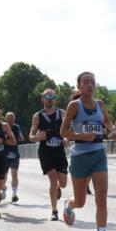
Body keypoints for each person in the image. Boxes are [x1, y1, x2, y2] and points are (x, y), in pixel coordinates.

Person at [61, 72, 116, 231]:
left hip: (98, 154)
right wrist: (82, 136)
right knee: (80, 202)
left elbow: (107, 122)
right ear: (79, 86)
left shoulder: (100, 104)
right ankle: (69, 205)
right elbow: (63, 131)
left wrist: (113, 130)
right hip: (80, 156)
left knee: (102, 199)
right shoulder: (74, 106)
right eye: (85, 82)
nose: (90, 85)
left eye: (92, 82)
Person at [30, 88, 69, 221]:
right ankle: (54, 210)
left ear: (55, 100)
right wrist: (37, 137)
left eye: (52, 97)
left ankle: (58, 187)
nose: (50, 99)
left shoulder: (61, 113)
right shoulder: (38, 116)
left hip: (59, 152)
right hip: (45, 152)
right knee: (53, 178)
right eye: (47, 97)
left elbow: (67, 130)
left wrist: (66, 138)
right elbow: (31, 136)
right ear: (43, 99)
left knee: (63, 184)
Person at [4, 111, 24, 203]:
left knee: (14, 174)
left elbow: (21, 138)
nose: (10, 120)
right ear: (6, 119)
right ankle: (3, 189)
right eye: (9, 118)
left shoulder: (17, 127)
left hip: (14, 153)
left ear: (14, 118)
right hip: (4, 154)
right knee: (4, 175)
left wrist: (17, 138)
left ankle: (14, 194)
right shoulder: (3, 127)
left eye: (12, 118)